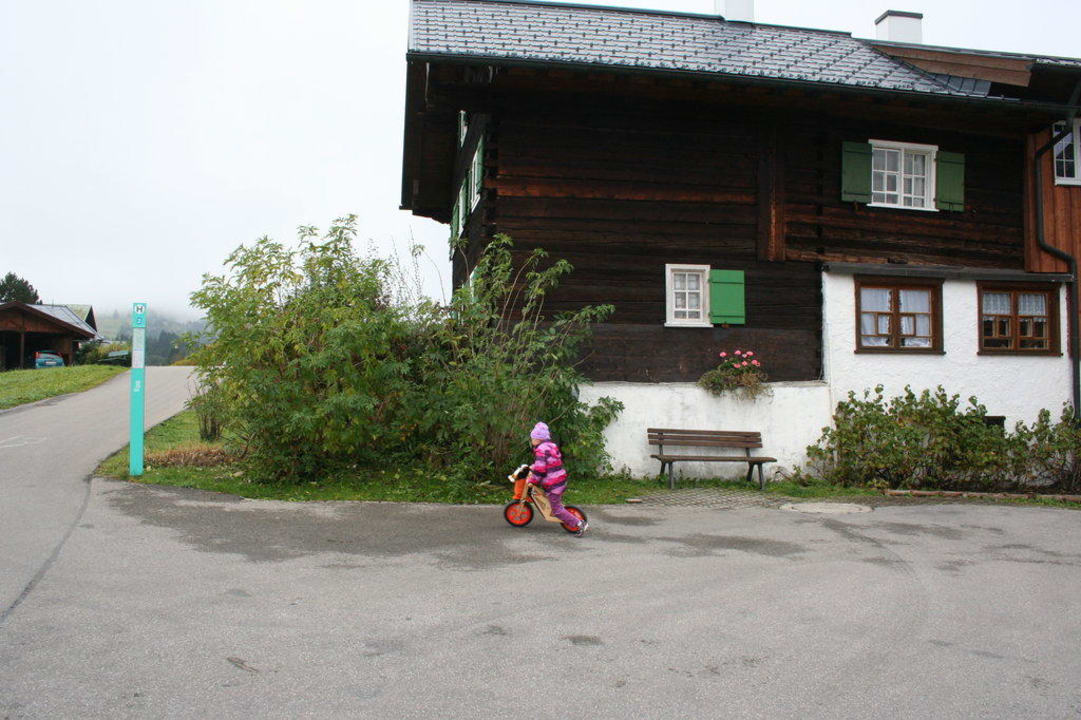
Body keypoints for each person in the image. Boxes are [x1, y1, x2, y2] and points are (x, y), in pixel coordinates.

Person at [527, 421, 588, 537]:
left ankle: (580, 523)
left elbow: (540, 470)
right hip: (559, 479)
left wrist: (532, 481)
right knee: (554, 502)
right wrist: (533, 466)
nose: (532, 440)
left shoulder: (540, 450)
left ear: (538, 439)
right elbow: (550, 463)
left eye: (533, 438)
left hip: (553, 484)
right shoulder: (551, 446)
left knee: (557, 510)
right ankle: (568, 515)